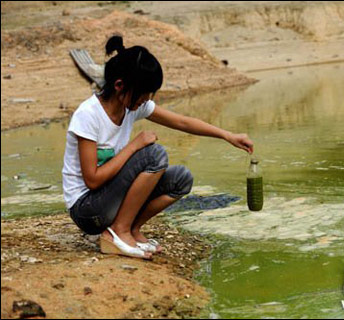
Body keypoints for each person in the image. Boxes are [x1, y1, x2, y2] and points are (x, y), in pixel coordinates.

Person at [62, 35, 254, 259]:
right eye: (144, 94)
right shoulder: (88, 115)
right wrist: (134, 146)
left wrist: (227, 136)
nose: (147, 99)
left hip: (110, 200)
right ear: (119, 86)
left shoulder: (132, 106)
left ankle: (132, 228)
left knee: (181, 179)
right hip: (88, 209)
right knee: (154, 155)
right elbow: (92, 180)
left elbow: (182, 122)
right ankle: (118, 232)